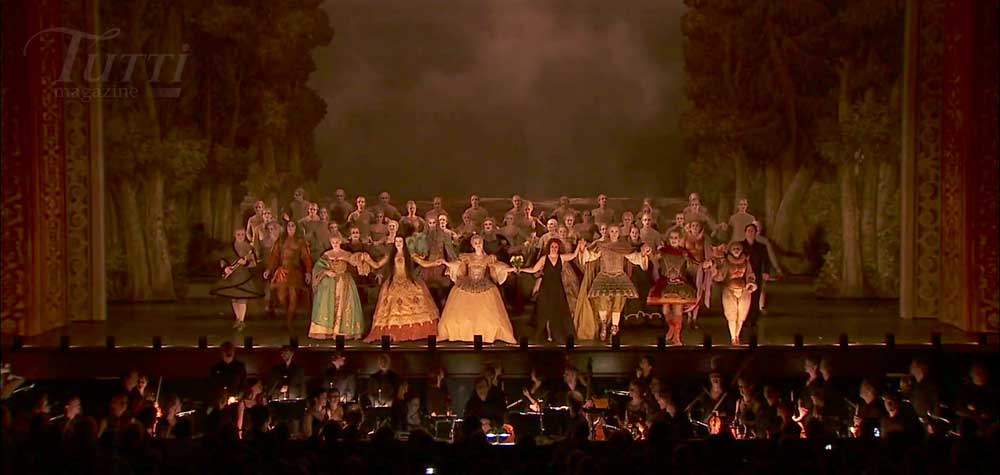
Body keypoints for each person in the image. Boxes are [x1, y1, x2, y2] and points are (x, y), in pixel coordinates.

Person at [438, 235, 518, 344]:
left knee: (490, 318)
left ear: (482, 243)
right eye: (475, 242)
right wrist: (446, 263)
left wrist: (511, 269)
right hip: (467, 283)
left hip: (484, 285)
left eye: (479, 242)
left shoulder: (489, 258)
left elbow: (498, 267)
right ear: (472, 245)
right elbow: (458, 265)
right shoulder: (467, 257)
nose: (478, 244)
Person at [364, 236, 441, 342]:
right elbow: (377, 265)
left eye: (400, 241)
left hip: (408, 280)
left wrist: (435, 263)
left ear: (404, 242)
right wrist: (368, 259)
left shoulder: (409, 254)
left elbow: (423, 263)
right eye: (396, 241)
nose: (398, 243)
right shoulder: (390, 255)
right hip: (394, 282)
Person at [580, 225, 651, 340]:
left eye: (616, 231)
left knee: (618, 302)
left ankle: (614, 327)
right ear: (608, 232)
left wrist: (643, 254)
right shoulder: (602, 245)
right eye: (611, 231)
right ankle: (604, 325)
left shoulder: (623, 246)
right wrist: (583, 250)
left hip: (619, 277)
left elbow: (634, 257)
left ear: (619, 233)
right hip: (604, 276)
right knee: (602, 300)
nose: (613, 233)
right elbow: (591, 256)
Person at [308, 235, 371, 340]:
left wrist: (361, 258)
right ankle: (328, 331)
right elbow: (318, 267)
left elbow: (355, 262)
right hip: (330, 283)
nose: (335, 244)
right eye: (333, 242)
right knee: (327, 304)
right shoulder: (326, 254)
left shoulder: (346, 253)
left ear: (340, 241)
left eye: (337, 241)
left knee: (345, 304)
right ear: (330, 242)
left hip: (344, 281)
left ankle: (342, 331)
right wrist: (326, 272)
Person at [648, 230, 698, 345]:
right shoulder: (663, 252)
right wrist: (649, 252)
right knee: (665, 310)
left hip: (680, 285)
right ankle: (671, 327)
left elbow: (692, 267)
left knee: (677, 310)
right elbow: (653, 258)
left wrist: (701, 265)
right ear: (669, 239)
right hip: (665, 283)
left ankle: (677, 336)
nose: (674, 239)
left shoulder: (684, 253)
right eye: (672, 237)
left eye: (676, 237)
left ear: (680, 239)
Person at [211, 228, 264, 330]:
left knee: (242, 297)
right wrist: (226, 268)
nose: (240, 236)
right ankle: (238, 319)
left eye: (242, 234)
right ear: (235, 235)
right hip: (232, 276)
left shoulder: (249, 248)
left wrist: (246, 263)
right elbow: (223, 260)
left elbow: (254, 263)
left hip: (244, 276)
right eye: (238, 234)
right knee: (234, 297)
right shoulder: (229, 248)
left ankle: (241, 320)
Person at [264, 220, 313, 329]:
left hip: (295, 272)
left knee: (293, 296)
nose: (290, 228)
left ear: (296, 228)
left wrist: (308, 273)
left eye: (293, 225)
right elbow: (274, 257)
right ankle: (288, 314)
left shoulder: (300, 242)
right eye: (289, 226)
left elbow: (306, 259)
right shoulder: (280, 241)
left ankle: (289, 321)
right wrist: (269, 269)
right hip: (283, 271)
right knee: (281, 297)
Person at [739, 223, 772, 341]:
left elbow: (766, 261)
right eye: (748, 231)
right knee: (744, 297)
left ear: (756, 233)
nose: (750, 233)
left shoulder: (761, 247)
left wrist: (766, 272)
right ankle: (744, 319)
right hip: (743, 275)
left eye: (752, 231)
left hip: (756, 274)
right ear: (745, 232)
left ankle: (753, 320)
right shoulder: (740, 245)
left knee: (755, 297)